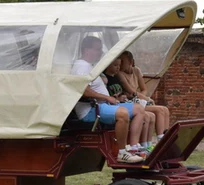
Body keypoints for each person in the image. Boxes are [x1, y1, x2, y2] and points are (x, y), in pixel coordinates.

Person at [72, 36, 146, 164]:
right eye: (98, 49)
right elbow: (85, 91)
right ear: (86, 50)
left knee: (139, 109)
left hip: (101, 106)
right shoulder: (81, 66)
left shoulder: (90, 66)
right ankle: (122, 153)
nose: (101, 52)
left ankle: (134, 148)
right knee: (122, 113)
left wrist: (113, 98)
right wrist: (107, 97)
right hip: (90, 110)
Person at [114, 51, 171, 138]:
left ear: (130, 62)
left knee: (165, 109)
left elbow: (144, 89)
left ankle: (166, 135)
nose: (120, 64)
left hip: (137, 98)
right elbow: (131, 91)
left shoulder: (136, 70)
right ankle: (161, 138)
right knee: (159, 110)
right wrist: (146, 99)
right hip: (129, 100)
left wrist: (143, 98)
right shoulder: (120, 74)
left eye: (123, 61)